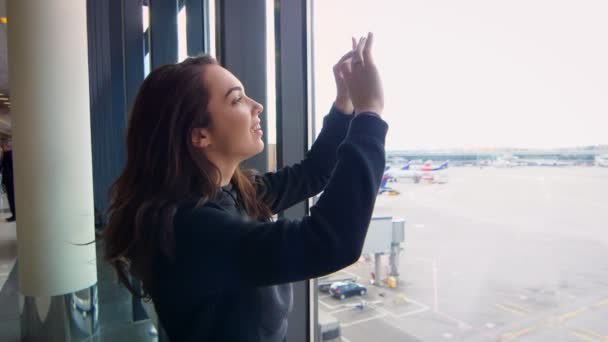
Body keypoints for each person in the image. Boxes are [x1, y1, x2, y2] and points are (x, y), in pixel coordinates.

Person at [103, 32, 387, 341]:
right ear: (199, 135)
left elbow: (315, 173)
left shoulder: (232, 192)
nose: (257, 106)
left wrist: (344, 105)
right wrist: (369, 115)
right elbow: (329, 243)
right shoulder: (191, 228)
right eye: (237, 99)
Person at [1, 140, 16, 222]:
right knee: (12, 198)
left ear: (7, 146)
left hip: (9, 180)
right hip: (11, 180)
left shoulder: (7, 155)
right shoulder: (12, 154)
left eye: (3, 146)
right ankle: (14, 214)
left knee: (11, 198)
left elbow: (3, 167)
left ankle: (14, 215)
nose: (2, 148)